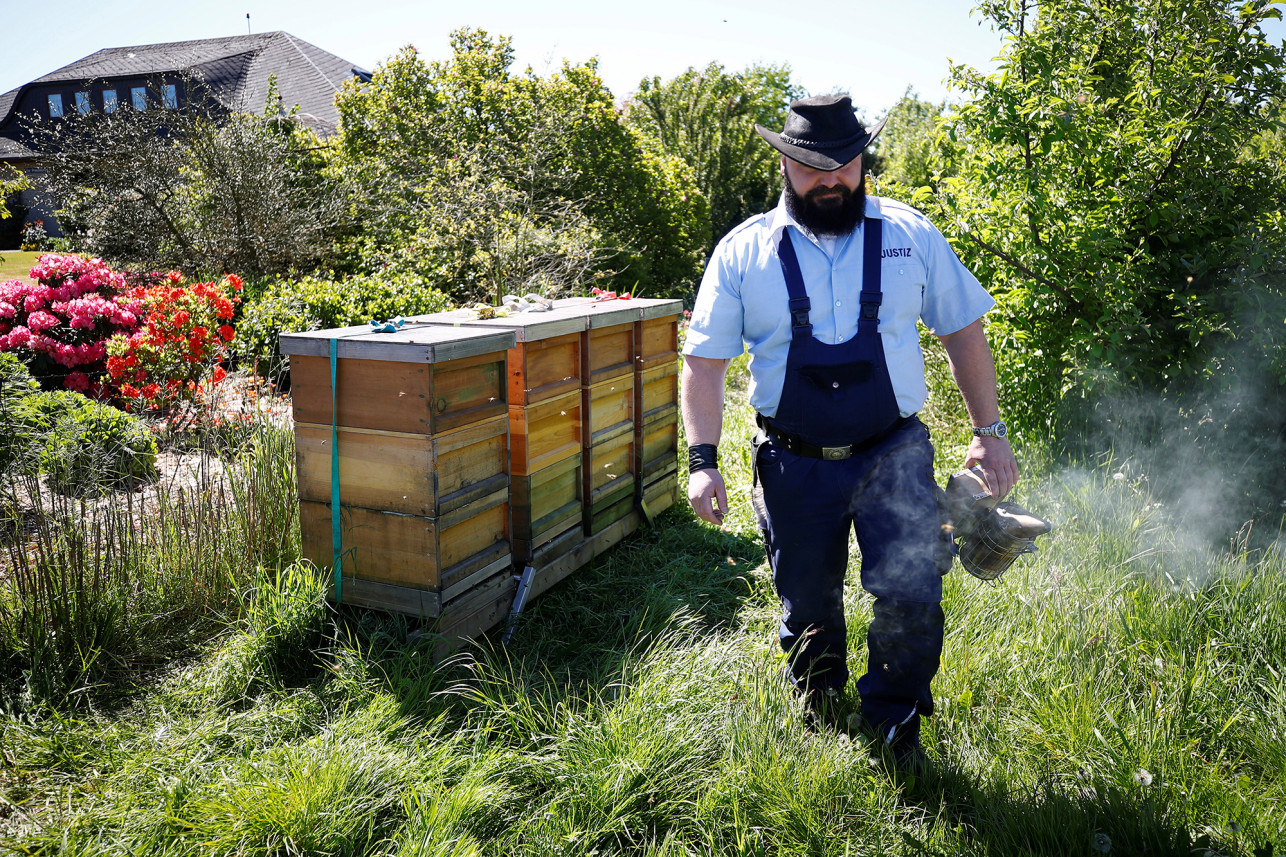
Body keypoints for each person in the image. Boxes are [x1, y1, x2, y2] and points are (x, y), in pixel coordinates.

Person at [681, 94, 1018, 762]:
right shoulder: (743, 252)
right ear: (784, 161)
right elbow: (703, 364)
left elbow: (962, 330)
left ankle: (895, 719)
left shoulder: (910, 235)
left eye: (844, 162)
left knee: (912, 591)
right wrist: (703, 459)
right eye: (811, 166)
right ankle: (819, 695)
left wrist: (991, 428)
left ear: (863, 159)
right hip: (793, 462)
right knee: (806, 601)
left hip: (893, 453)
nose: (830, 178)